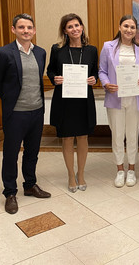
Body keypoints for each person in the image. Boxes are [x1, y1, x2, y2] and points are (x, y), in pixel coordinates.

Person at [0, 13, 51, 214]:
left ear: (34, 30)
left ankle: (30, 185)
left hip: (36, 111)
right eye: (22, 27)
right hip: (15, 114)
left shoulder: (40, 52)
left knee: (32, 152)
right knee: (11, 154)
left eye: (29, 28)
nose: (26, 31)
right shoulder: (3, 53)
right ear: (13, 29)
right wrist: (10, 99)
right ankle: (10, 192)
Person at [46, 13, 98, 193]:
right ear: (65, 31)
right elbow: (50, 70)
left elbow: (95, 73)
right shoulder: (57, 49)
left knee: (83, 137)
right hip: (64, 100)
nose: (74, 29)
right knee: (67, 137)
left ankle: (81, 173)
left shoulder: (91, 50)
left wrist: (94, 80)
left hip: (84, 100)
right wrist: (55, 79)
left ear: (82, 27)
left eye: (77, 25)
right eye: (70, 27)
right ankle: (70, 175)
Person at [99, 14, 139, 188]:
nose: (129, 30)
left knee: (133, 135)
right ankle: (120, 170)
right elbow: (102, 71)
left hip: (134, 98)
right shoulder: (108, 47)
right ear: (120, 27)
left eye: (132, 27)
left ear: (136, 31)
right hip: (115, 98)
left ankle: (132, 169)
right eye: (126, 26)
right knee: (117, 135)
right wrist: (106, 84)